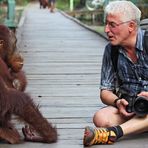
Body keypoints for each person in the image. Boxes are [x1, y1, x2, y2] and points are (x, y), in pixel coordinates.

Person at [83, 0, 148, 146]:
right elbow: (105, 91)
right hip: (132, 109)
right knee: (101, 118)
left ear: (131, 26)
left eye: (112, 25)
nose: (106, 30)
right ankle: (140, 125)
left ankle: (115, 133)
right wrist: (117, 102)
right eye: (106, 24)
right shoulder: (111, 50)